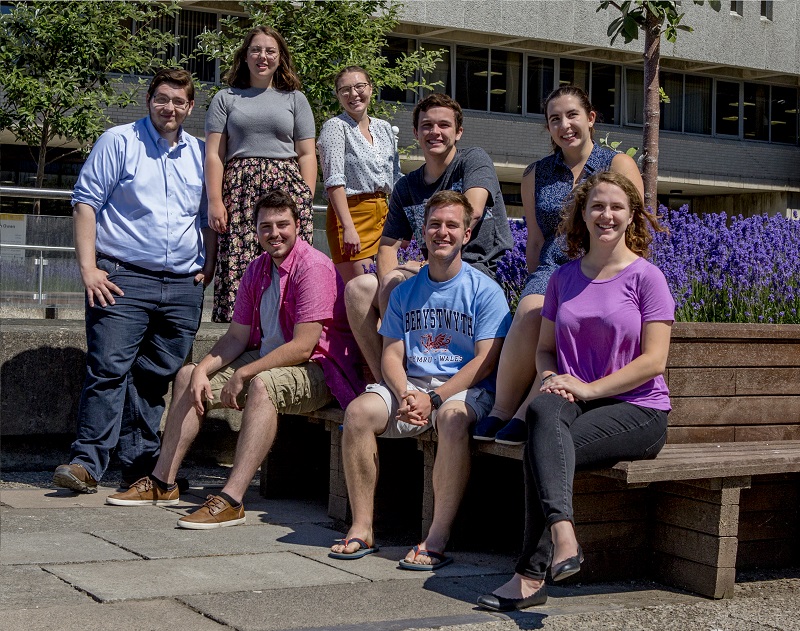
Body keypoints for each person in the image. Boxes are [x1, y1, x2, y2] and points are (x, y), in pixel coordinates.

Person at [105, 191, 365, 527]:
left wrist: (243, 374)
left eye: (283, 224)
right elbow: (236, 338)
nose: (275, 233)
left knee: (261, 385)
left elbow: (303, 346)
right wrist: (201, 370)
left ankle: (232, 499)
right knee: (186, 377)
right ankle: (161, 481)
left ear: (299, 226)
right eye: (266, 226)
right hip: (271, 357)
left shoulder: (313, 266)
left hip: (321, 366)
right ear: (256, 231)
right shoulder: (256, 269)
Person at [478, 171, 674, 611]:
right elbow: (546, 350)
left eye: (616, 207)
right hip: (575, 399)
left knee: (541, 449)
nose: (606, 215)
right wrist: (551, 377)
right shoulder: (563, 279)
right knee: (542, 414)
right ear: (582, 215)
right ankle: (564, 533)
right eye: (597, 206)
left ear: (631, 216)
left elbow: (653, 362)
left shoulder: (647, 278)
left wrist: (588, 388)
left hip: (637, 408)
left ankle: (529, 575)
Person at [330, 190, 512, 567]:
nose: (441, 232)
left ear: (466, 234)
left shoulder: (485, 292)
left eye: (451, 225)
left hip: (463, 389)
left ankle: (437, 538)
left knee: (451, 418)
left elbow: (485, 362)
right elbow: (392, 353)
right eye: (434, 225)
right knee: (359, 412)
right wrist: (405, 393)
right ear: (423, 232)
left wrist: (438, 397)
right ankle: (362, 528)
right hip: (412, 385)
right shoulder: (404, 292)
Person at [53, 69, 214, 493]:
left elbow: (209, 217)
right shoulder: (118, 141)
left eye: (179, 102)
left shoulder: (201, 153)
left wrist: (209, 266)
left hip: (182, 285)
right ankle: (87, 461)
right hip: (123, 276)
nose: (170, 108)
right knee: (108, 369)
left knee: (154, 378)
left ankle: (139, 462)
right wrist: (88, 269)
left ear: (190, 107)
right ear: (148, 99)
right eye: (163, 99)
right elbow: (86, 203)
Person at [473, 85, 644, 446]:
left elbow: (634, 225)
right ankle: (502, 409)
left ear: (591, 119)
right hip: (553, 267)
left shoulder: (618, 164)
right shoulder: (536, 173)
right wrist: (540, 283)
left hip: (603, 270)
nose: (564, 125)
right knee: (531, 312)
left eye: (572, 116)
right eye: (555, 119)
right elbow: (535, 240)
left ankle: (525, 413)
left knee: (569, 324)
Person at [345, 93, 513, 382]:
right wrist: (390, 294)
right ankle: (389, 381)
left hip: (475, 268)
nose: (435, 132)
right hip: (429, 272)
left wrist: (421, 268)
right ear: (416, 132)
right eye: (426, 126)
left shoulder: (472, 161)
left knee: (400, 280)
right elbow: (387, 246)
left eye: (444, 125)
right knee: (359, 289)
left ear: (458, 132)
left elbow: (470, 212)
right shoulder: (407, 186)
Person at [206, 25, 316, 323]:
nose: (262, 56)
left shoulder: (295, 99)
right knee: (240, 263)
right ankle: (240, 334)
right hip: (240, 190)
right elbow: (215, 154)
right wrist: (215, 200)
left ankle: (291, 330)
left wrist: (304, 197)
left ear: (280, 58)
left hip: (286, 190)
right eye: (256, 50)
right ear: (245, 56)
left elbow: (306, 153)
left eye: (270, 51)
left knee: (287, 262)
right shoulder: (226, 98)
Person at [317, 66, 402, 284]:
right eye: (345, 90)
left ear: (371, 89)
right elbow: (334, 181)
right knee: (365, 289)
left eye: (359, 86)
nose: (353, 94)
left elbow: (395, 176)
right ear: (338, 96)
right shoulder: (335, 127)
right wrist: (348, 228)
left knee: (389, 288)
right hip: (352, 216)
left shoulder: (383, 128)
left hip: (385, 216)